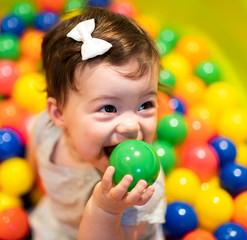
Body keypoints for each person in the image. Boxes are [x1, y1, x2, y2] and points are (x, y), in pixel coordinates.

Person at [27, 6, 166, 240]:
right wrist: (28, 186)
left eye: (145, 105)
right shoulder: (44, 129)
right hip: (59, 225)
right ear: (59, 115)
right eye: (109, 108)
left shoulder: (141, 186)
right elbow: (34, 145)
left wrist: (106, 209)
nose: (132, 126)